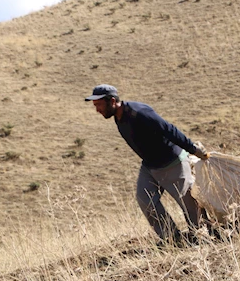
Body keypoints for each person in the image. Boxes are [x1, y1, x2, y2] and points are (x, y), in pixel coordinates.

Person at [85, 84, 212, 245]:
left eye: (99, 105)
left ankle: (204, 235)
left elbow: (169, 129)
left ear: (112, 101)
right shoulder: (117, 117)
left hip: (172, 162)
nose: (97, 110)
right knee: (145, 199)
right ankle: (172, 239)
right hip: (150, 166)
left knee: (188, 202)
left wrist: (192, 148)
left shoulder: (139, 112)